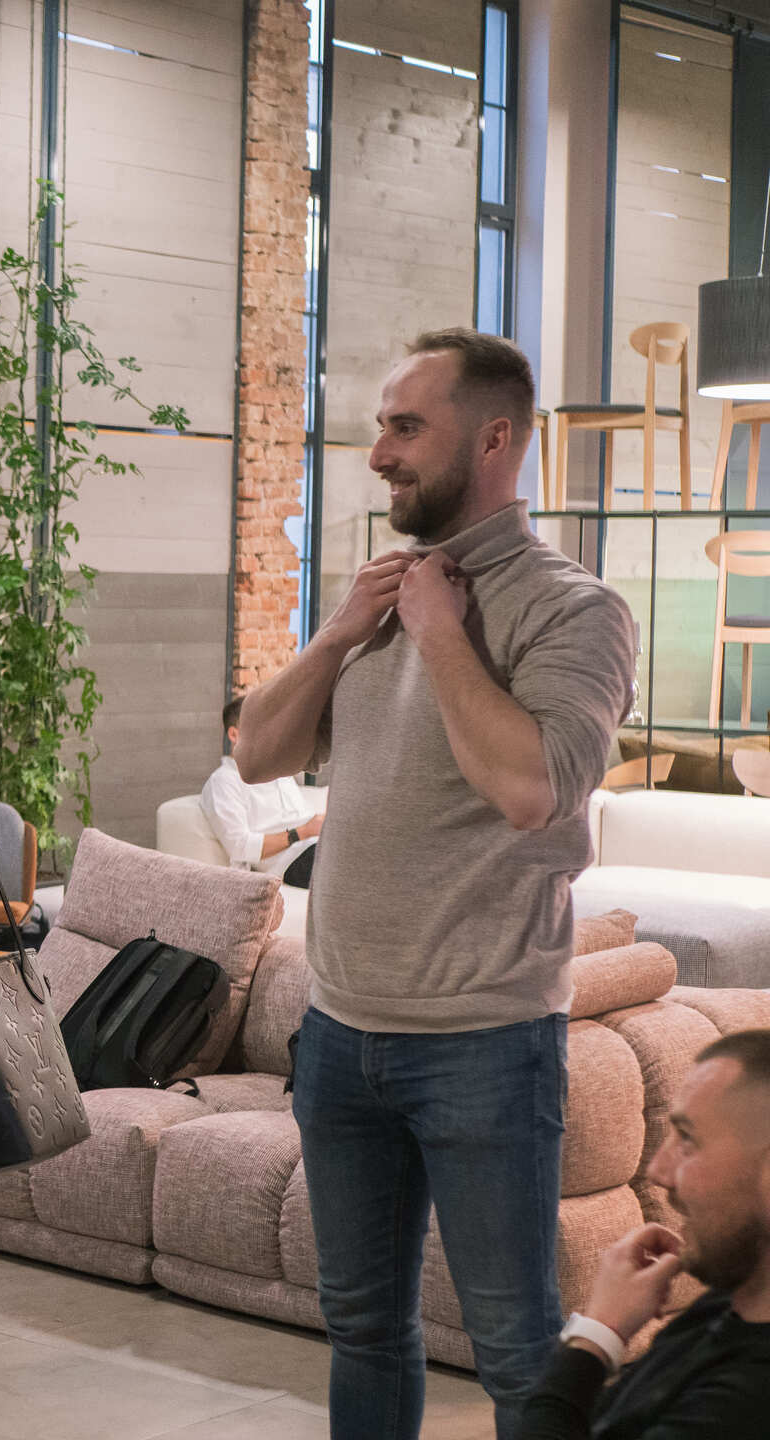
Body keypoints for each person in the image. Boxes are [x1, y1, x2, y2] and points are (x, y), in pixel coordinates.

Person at [234, 328, 638, 1440]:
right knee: (362, 1327)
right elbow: (258, 753)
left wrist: (445, 637)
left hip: (485, 1044)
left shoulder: (574, 611)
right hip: (338, 1035)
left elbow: (530, 789)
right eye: (382, 428)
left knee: (514, 1347)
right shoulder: (378, 598)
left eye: (406, 428)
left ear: (494, 439)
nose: (379, 455)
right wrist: (339, 633)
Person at [522, 1029, 770, 1437]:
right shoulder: (728, 1305)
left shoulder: (742, 1405)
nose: (657, 1171)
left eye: (687, 1140)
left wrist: (595, 1334)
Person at [200, 696, 325, 886]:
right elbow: (239, 846)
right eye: (261, 726)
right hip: (294, 860)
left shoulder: (281, 771)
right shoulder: (224, 781)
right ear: (234, 734)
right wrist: (303, 832)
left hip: (321, 844)